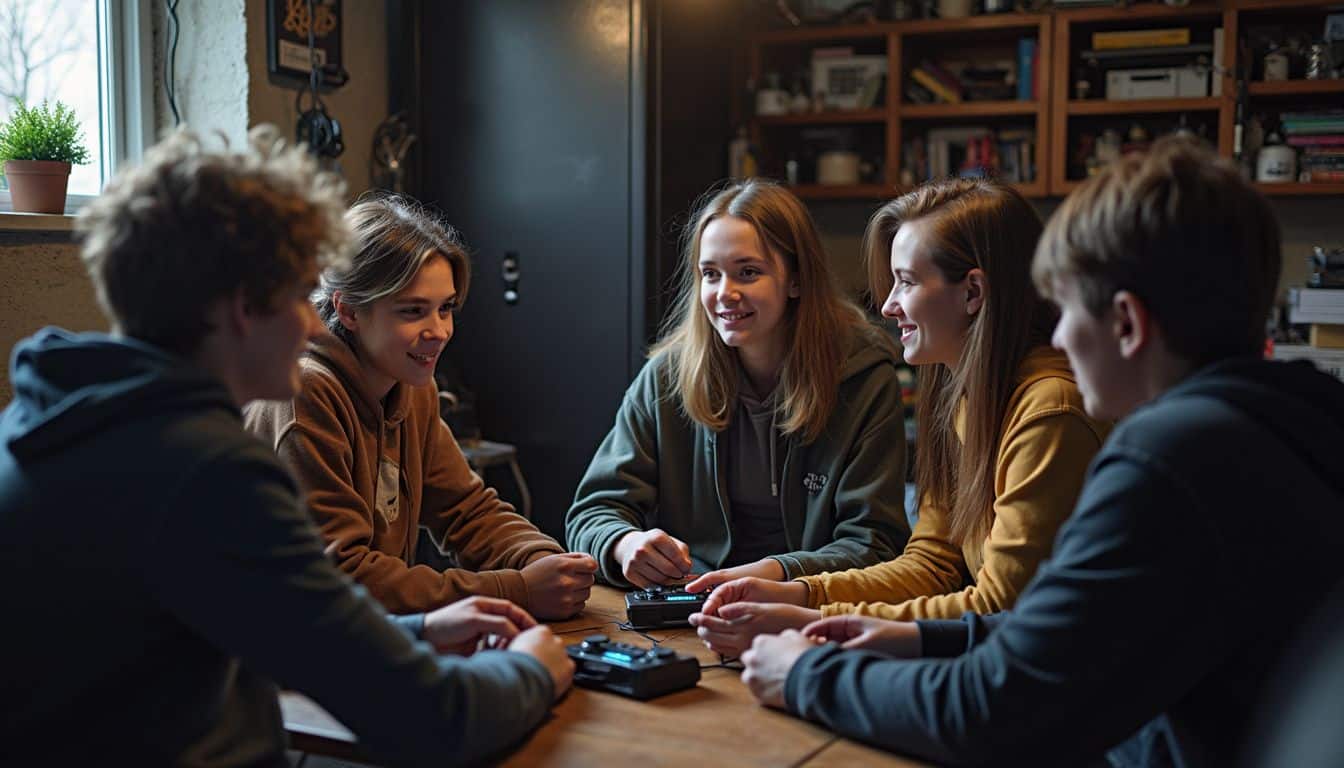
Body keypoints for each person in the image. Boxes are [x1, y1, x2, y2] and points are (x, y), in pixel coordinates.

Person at [738, 136, 1344, 766]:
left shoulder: (1170, 459)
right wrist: (913, 637)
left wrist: (806, 675)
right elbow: (1080, 633)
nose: (1057, 335)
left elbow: (997, 705)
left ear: (1128, 325)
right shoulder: (1271, 422)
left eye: (1068, 311)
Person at [0, 128, 573, 765]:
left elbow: (255, 633)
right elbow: (434, 719)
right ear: (243, 309)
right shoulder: (207, 471)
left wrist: (420, 630)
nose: (311, 324)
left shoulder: (55, 424)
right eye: (297, 296)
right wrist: (534, 670)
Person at [690, 178, 1109, 656]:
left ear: (973, 292)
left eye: (906, 282)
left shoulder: (1048, 413)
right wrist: (798, 592)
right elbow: (934, 564)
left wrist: (815, 620)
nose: (888, 306)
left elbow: (1002, 605)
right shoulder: (962, 394)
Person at [245, 195, 596, 618]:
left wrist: (541, 561)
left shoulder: (411, 385)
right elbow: (342, 576)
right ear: (349, 310)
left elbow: (466, 509)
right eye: (413, 311)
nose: (439, 332)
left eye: (445, 308)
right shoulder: (304, 392)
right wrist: (516, 589)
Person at [565, 179, 909, 590]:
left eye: (748, 273)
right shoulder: (666, 378)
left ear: (796, 279)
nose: (725, 293)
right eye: (710, 274)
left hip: (809, 608)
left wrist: (774, 573)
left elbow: (876, 543)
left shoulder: (864, 377)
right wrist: (624, 544)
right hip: (690, 604)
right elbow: (592, 511)